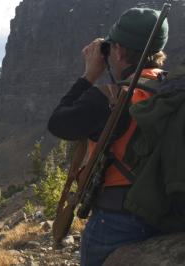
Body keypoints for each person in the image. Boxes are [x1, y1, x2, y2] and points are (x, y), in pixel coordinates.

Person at [47, 8, 169, 266]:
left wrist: (89, 75)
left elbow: (59, 123)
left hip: (118, 219)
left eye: (111, 46)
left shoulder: (111, 97)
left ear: (119, 51)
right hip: (170, 212)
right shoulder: (170, 91)